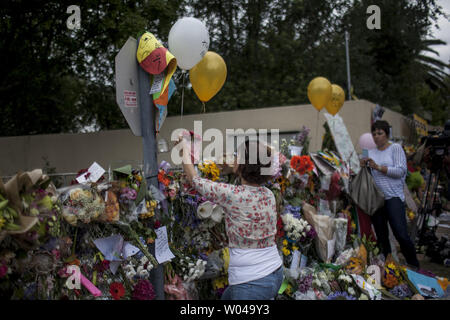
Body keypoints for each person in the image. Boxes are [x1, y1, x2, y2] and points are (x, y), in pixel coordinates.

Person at [175, 136, 283, 300]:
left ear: (243, 165)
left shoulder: (232, 195)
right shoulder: (268, 195)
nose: (233, 158)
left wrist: (183, 149)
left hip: (251, 281)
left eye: (236, 156)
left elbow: (195, 181)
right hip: (274, 271)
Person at [360, 120, 420, 268]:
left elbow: (401, 172)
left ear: (387, 134)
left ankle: (414, 265)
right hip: (377, 199)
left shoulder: (395, 148)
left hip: (393, 197)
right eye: (374, 133)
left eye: (379, 133)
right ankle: (389, 267)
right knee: (382, 237)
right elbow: (366, 175)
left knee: (400, 234)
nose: (376, 136)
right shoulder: (370, 152)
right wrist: (363, 166)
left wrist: (379, 167)